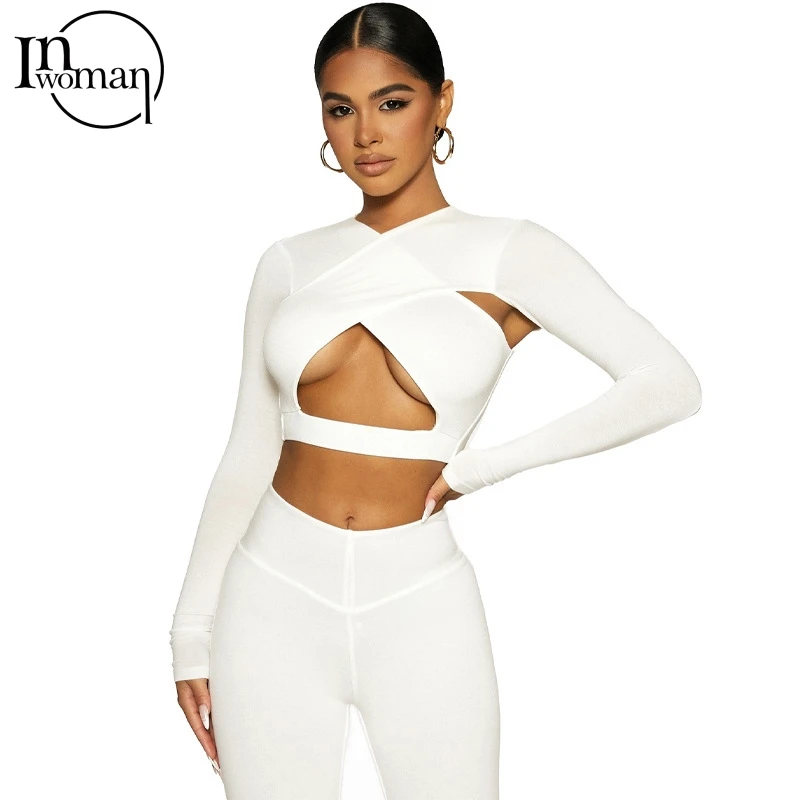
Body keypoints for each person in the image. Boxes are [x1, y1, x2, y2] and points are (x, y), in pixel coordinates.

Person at [169, 3, 702, 797]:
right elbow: (249, 449)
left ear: (441, 102)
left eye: (392, 102)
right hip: (268, 592)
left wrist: (480, 468)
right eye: (340, 109)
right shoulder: (289, 263)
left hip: (417, 598)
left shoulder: (510, 251)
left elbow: (667, 383)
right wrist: (191, 632)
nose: (365, 134)